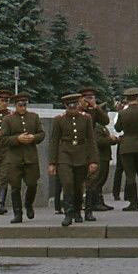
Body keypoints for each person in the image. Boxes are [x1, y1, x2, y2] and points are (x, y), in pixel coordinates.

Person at [48, 93, 99, 227]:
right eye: (70, 106)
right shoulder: (59, 120)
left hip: (81, 154)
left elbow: (91, 140)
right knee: (67, 183)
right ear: (65, 107)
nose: (73, 108)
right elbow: (54, 141)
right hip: (64, 154)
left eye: (75, 105)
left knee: (78, 185)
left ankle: (77, 211)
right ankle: (68, 213)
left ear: (78, 105)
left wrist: (93, 160)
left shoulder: (86, 118)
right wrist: (52, 162)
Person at [0, 94, 45, 223]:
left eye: (25, 105)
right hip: (14, 158)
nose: (23, 108)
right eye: (20, 105)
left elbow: (41, 134)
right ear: (15, 105)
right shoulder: (8, 119)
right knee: (15, 187)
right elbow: (2, 139)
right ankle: (17, 213)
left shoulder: (34, 117)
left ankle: (28, 204)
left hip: (30, 157)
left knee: (32, 184)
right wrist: (17, 139)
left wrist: (34, 138)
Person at [115, 87, 138, 210]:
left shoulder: (122, 113)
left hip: (127, 147)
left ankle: (133, 203)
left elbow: (118, 128)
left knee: (130, 176)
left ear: (126, 99)